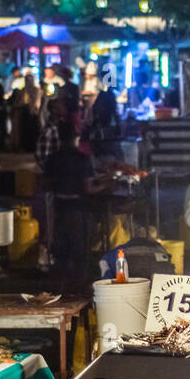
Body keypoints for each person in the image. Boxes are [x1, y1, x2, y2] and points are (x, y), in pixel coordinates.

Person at [46, 123, 112, 294]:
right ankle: (78, 292)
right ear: (76, 137)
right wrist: (107, 184)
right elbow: (89, 189)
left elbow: (46, 184)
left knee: (61, 253)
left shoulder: (53, 158)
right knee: (80, 254)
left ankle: (59, 291)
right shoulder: (82, 159)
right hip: (78, 211)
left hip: (59, 209)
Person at [33, 98, 68, 270]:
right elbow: (41, 156)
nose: (64, 108)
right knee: (49, 221)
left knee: (56, 221)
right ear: (54, 110)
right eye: (60, 106)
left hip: (58, 182)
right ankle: (44, 259)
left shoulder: (60, 127)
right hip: (51, 183)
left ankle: (52, 257)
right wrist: (52, 174)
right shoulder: (50, 130)